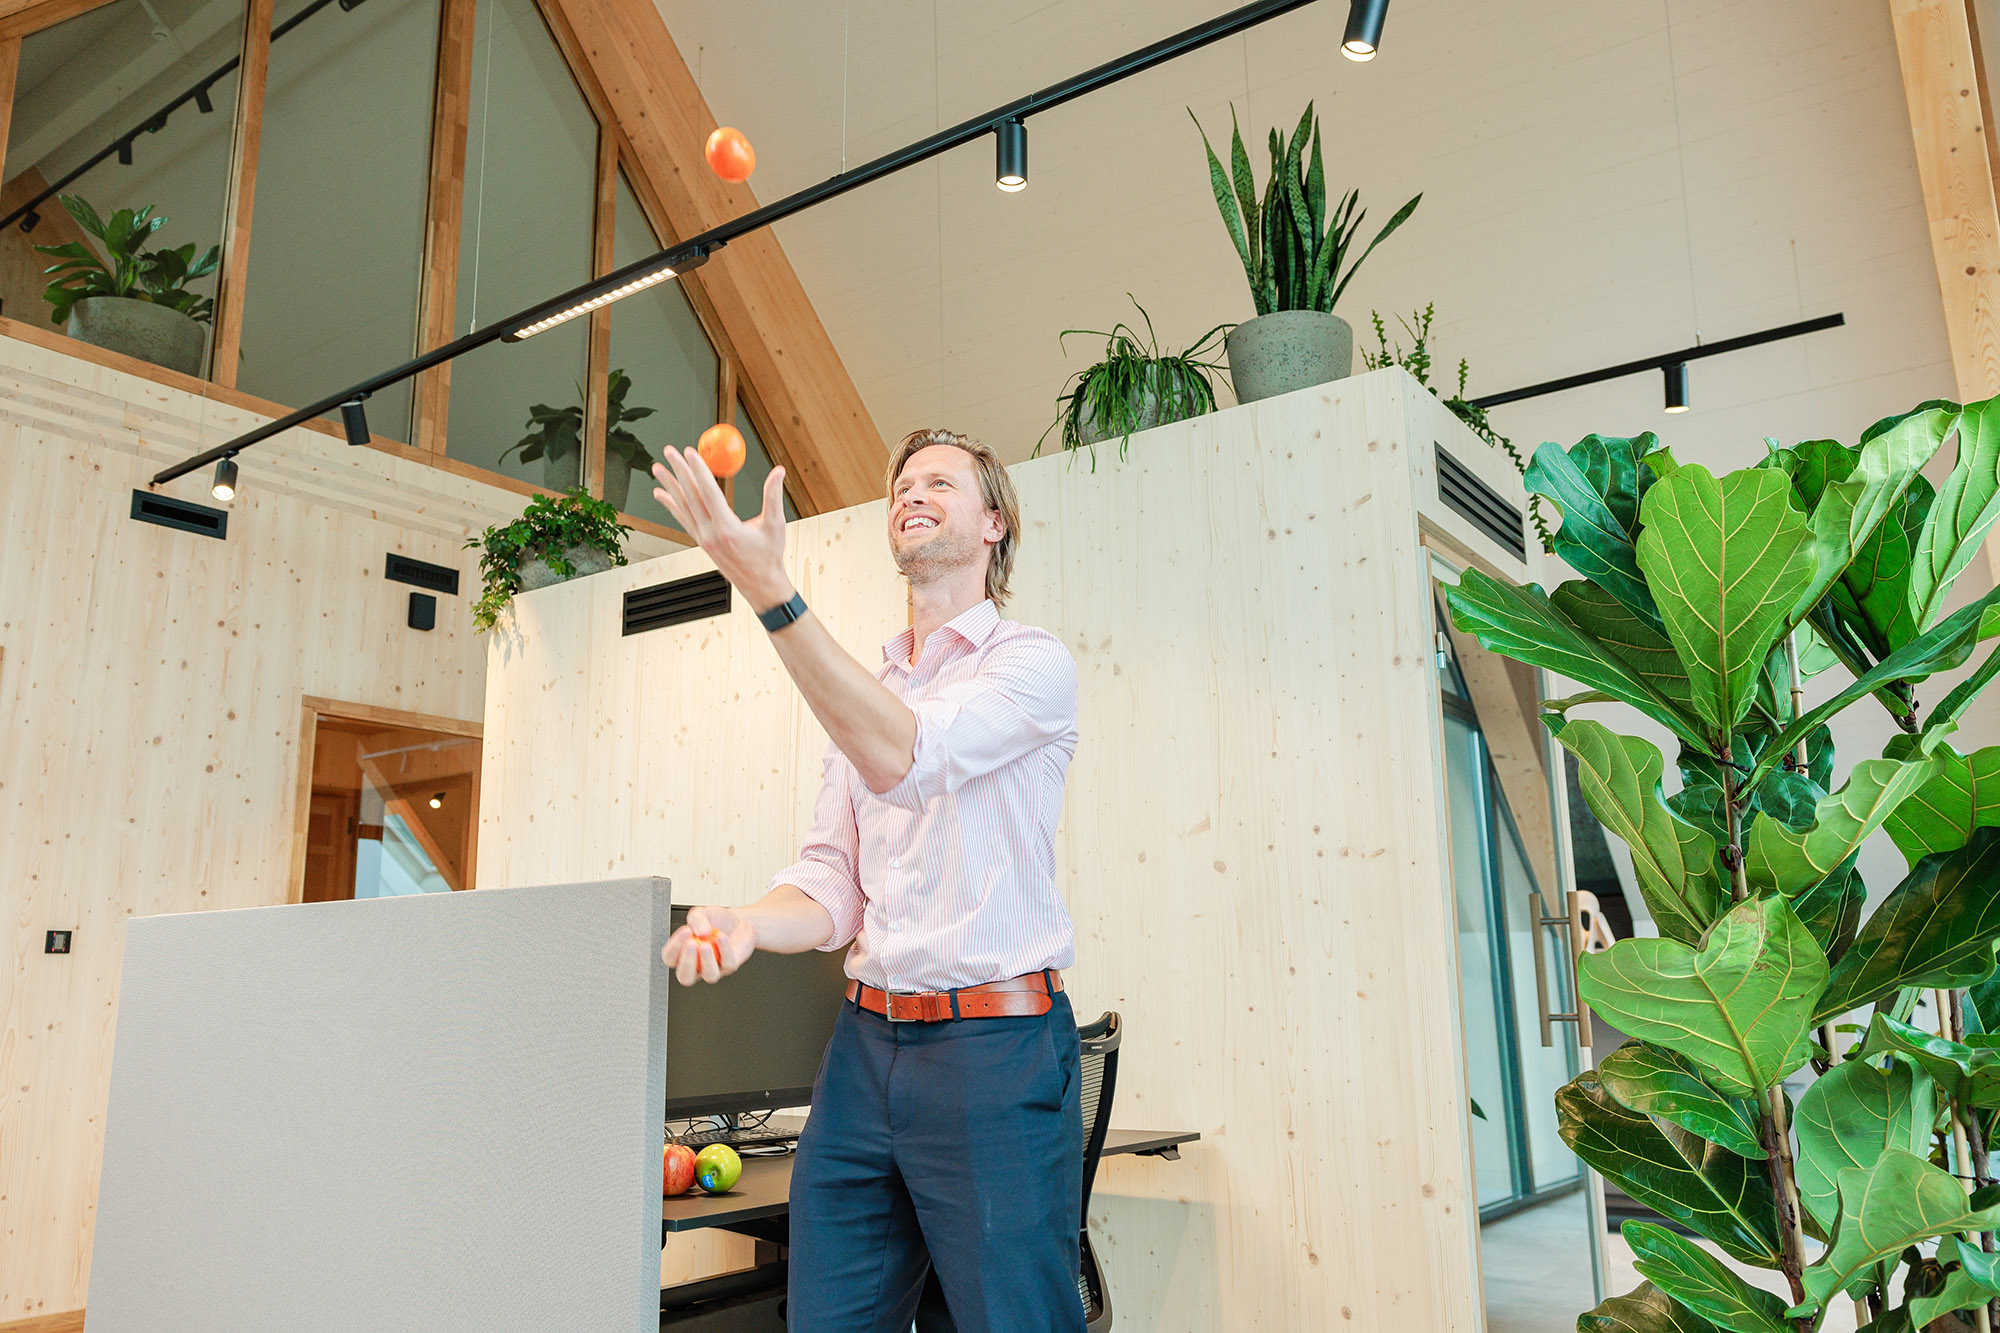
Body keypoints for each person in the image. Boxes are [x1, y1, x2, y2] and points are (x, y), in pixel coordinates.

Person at [647, 427, 1085, 1332]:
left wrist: (769, 590)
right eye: (901, 487)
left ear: (995, 522)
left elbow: (906, 757)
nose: (911, 494)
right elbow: (831, 881)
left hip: (993, 1050)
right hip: (863, 1049)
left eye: (941, 483)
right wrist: (750, 923)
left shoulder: (1031, 664)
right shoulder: (872, 685)